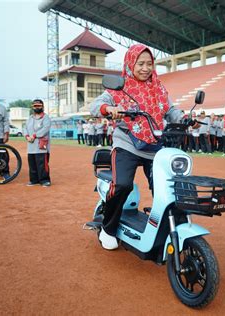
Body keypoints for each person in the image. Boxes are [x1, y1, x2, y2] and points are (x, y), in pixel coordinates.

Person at [90, 44, 186, 250]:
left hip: (156, 146)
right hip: (127, 144)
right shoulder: (120, 87)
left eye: (149, 64)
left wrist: (186, 118)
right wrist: (110, 108)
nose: (145, 68)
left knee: (167, 188)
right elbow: (95, 106)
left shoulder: (159, 88)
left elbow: (171, 110)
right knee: (122, 185)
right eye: (140, 63)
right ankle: (108, 228)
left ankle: (172, 227)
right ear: (130, 64)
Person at [24, 99, 52, 187]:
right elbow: (25, 128)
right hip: (31, 145)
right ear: (32, 107)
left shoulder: (46, 117)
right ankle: (34, 180)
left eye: (39, 106)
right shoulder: (30, 118)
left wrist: (34, 136)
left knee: (42, 164)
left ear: (42, 107)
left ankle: (44, 180)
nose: (37, 108)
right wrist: (27, 136)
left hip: (41, 146)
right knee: (32, 164)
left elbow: (45, 129)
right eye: (35, 106)